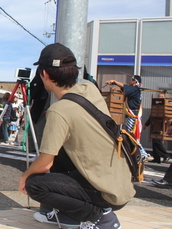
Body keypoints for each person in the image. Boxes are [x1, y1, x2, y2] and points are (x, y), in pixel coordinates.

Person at [18, 43, 135, 229]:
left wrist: (25, 176)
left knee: (35, 184)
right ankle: (70, 216)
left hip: (107, 194)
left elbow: (45, 163)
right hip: (120, 182)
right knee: (60, 152)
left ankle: (101, 217)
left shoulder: (59, 111)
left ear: (45, 75)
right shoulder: (90, 88)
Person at [105, 75, 149, 159]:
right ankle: (140, 153)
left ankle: (143, 153)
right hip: (131, 115)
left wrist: (114, 81)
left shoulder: (135, 89)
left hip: (133, 116)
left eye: (131, 80)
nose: (129, 80)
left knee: (130, 135)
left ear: (135, 82)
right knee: (130, 135)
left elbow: (124, 87)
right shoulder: (135, 90)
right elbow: (125, 89)